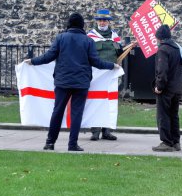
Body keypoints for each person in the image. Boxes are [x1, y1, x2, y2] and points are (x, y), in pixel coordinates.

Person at [24, 12, 119, 151]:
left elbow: (49, 56)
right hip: (81, 82)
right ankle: (72, 144)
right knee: (77, 114)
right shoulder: (88, 41)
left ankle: (50, 142)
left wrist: (33, 61)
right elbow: (96, 62)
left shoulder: (61, 38)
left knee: (57, 112)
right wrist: (112, 66)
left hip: (62, 81)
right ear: (82, 25)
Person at [87, 9, 122, 141]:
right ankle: (95, 131)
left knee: (109, 102)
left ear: (109, 21)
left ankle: (107, 131)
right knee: (95, 101)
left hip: (111, 74)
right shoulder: (90, 36)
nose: (102, 22)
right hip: (96, 74)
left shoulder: (115, 36)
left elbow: (120, 52)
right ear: (97, 21)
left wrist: (130, 46)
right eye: (100, 20)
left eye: (105, 20)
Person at [152, 25, 182, 152]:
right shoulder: (177, 48)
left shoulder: (163, 50)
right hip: (177, 87)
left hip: (166, 88)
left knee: (163, 115)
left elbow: (162, 71)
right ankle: (176, 142)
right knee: (174, 115)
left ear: (159, 38)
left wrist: (159, 86)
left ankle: (166, 142)